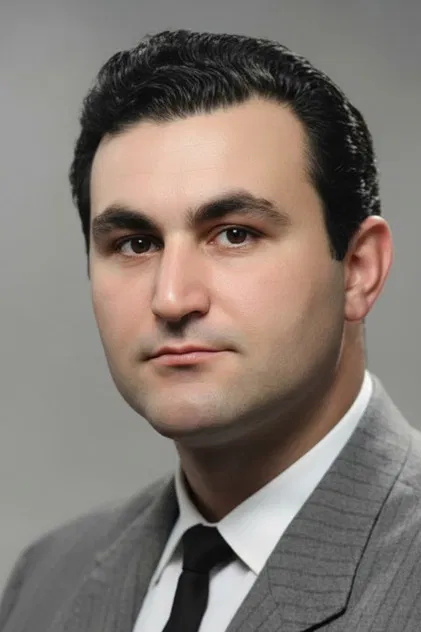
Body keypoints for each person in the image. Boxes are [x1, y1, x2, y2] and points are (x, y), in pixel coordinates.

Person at [1, 28, 420, 632]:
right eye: (136, 243)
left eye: (234, 234)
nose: (172, 299)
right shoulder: (44, 581)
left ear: (358, 270)